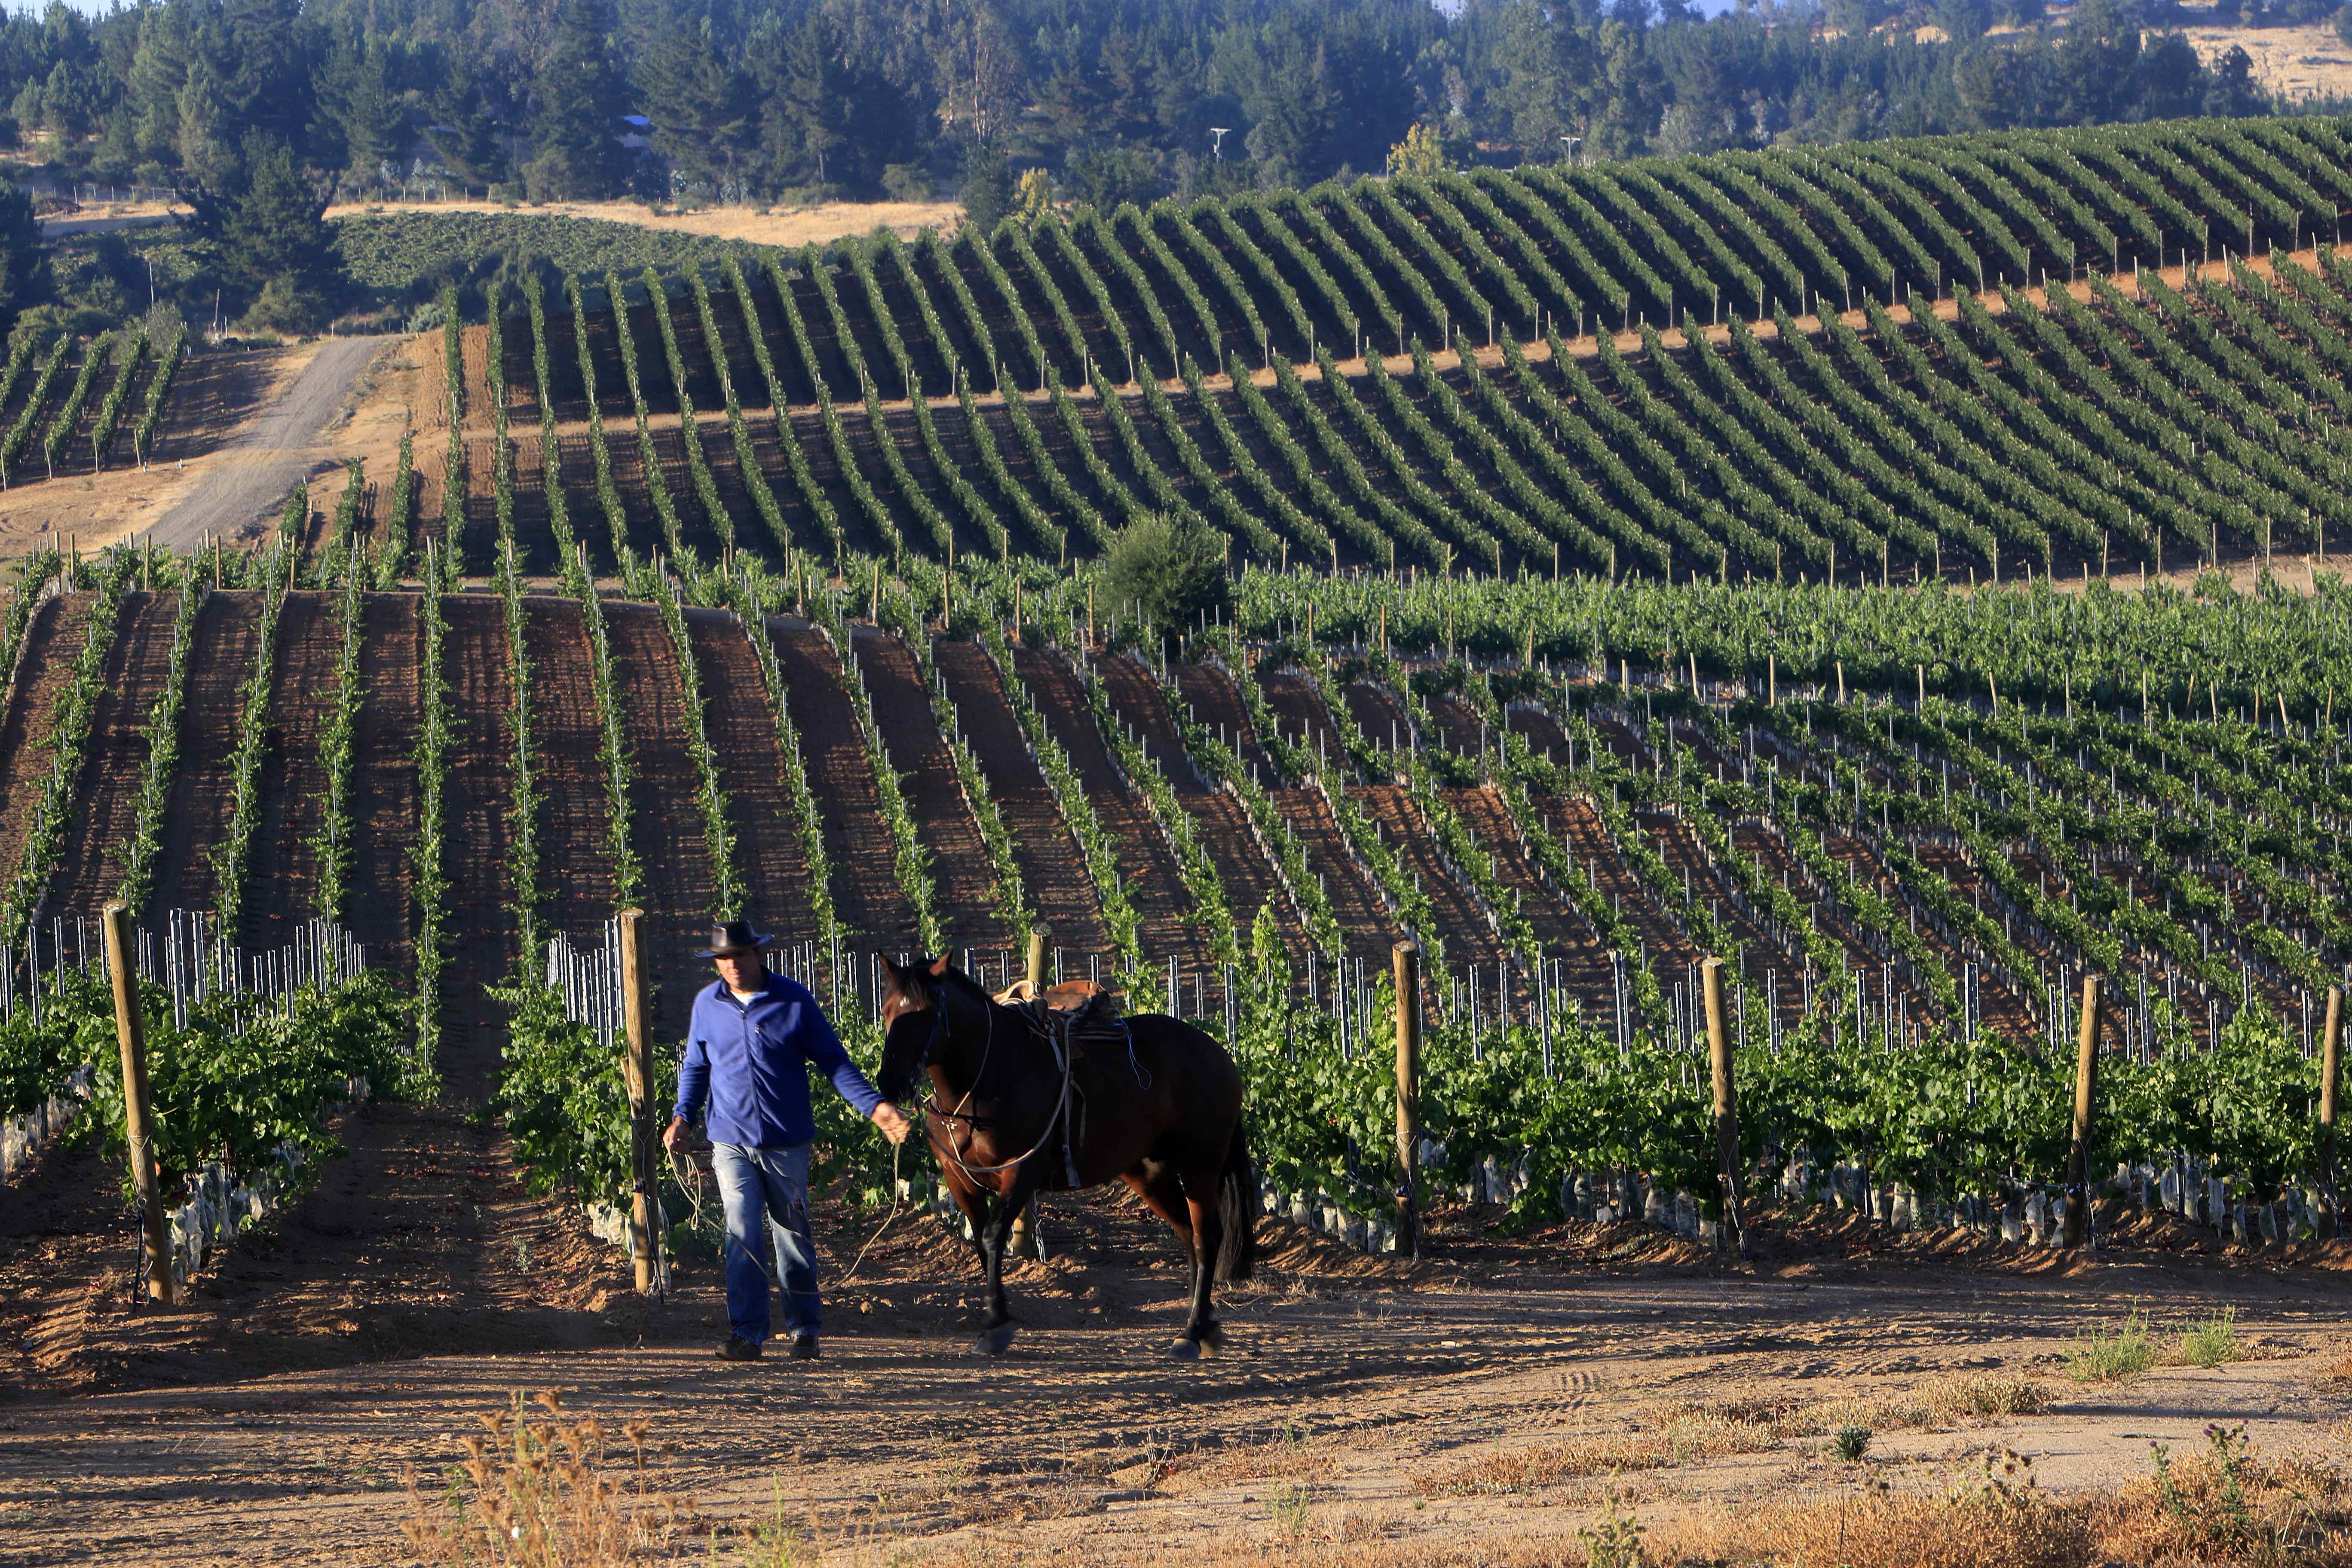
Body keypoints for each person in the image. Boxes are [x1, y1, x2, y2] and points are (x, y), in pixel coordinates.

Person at [667, 919, 912, 1362]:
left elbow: (834, 1062)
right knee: (741, 1233)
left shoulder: (793, 1000)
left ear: (758, 955)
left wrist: (875, 1108)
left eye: (740, 955)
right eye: (724, 958)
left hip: (786, 1141)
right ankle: (747, 1334)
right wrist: (683, 1117)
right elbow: (696, 1068)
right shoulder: (707, 1005)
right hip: (730, 1140)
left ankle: (804, 1331)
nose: (733, 964)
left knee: (792, 1234)